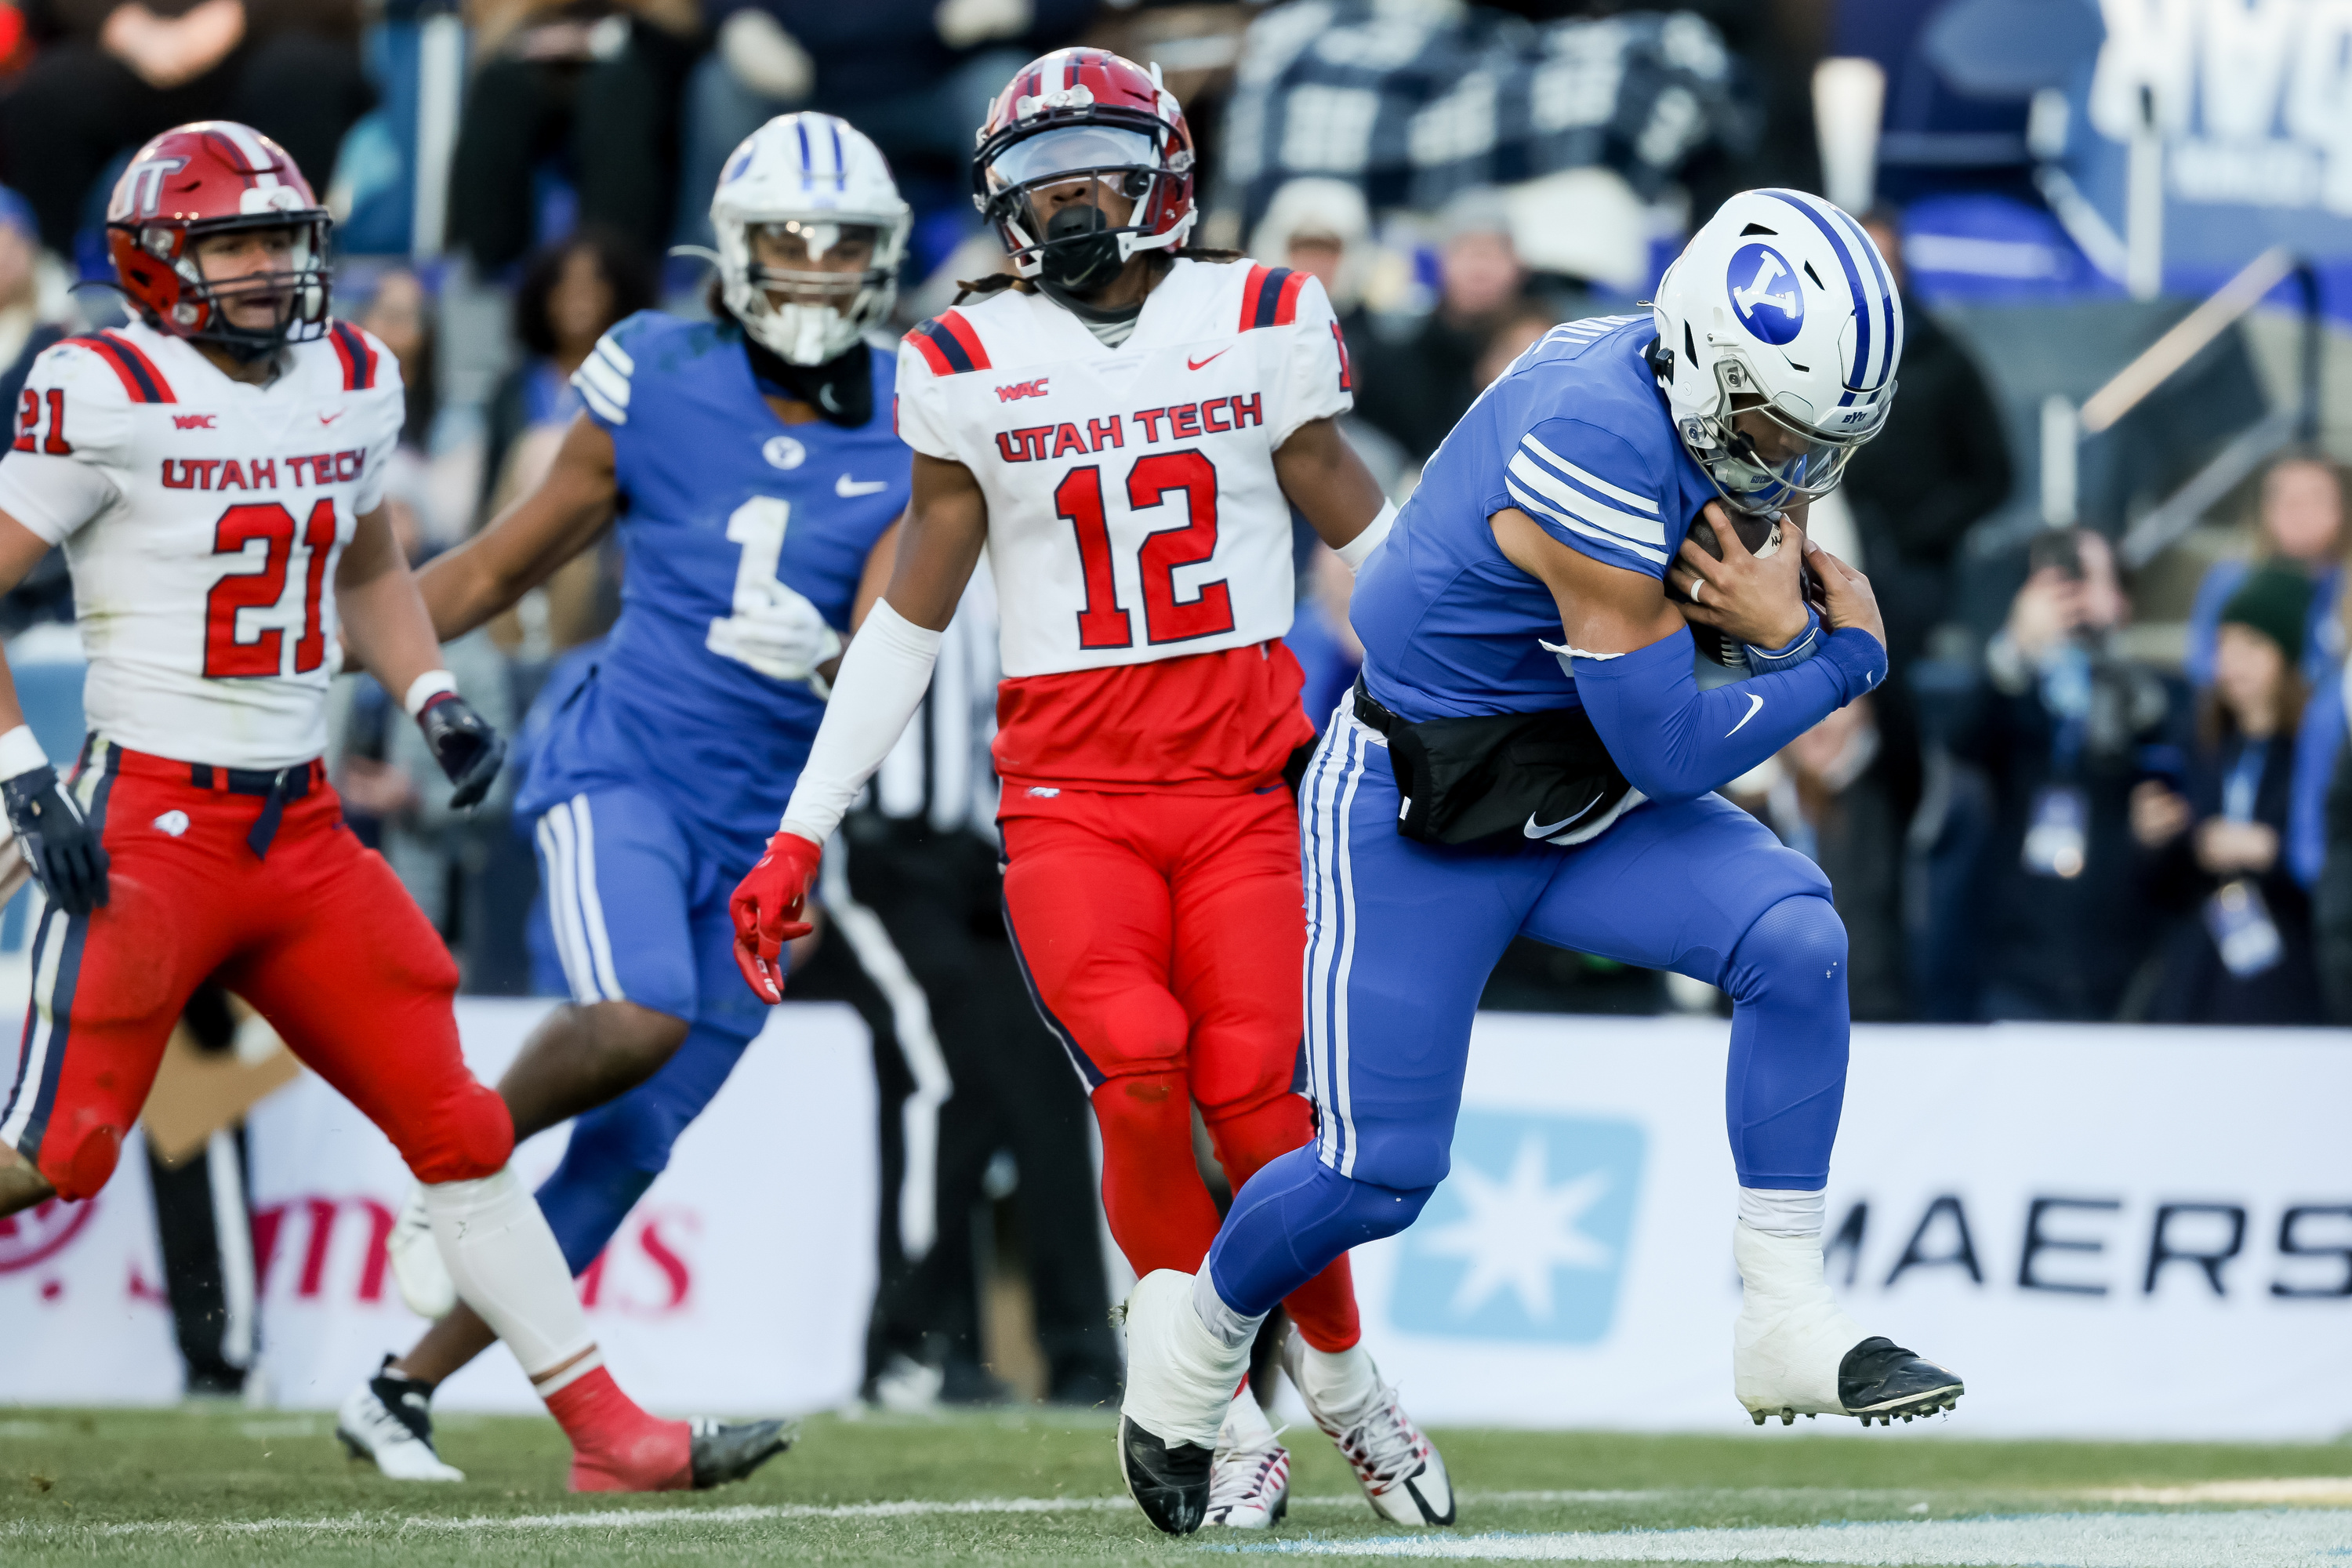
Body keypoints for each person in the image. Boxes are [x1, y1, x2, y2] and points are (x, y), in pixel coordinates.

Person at [1084, 189, 1967, 1536]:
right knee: (1379, 1174)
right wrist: (1837, 657)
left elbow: (1679, 683)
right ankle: (1196, 1337)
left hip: (1577, 787)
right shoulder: (1596, 440)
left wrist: (1784, 638)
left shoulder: (1687, 400)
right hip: (1424, 808)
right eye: (1780, 427)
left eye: (1821, 437)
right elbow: (1675, 745)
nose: (1795, 467)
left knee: (1797, 936)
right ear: (1710, 363)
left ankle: (1785, 1313)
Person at [728, 49, 1450, 1534]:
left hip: (1245, 790)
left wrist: (1493, 696)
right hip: (1072, 799)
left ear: (1164, 175)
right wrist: (802, 829)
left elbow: (1378, 545)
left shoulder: (1258, 317)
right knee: (1139, 1072)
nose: (1066, 202)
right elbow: (909, 624)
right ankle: (1217, 1417)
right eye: (1038, 178)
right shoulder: (965, 358)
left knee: (1263, 1107)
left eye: (1094, 171)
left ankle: (1346, 1384)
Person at [0, 122, 783, 1492]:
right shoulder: (101, 386)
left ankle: (615, 1436)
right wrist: (19, 770)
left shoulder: (348, 377)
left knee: (462, 1128)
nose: (268, 269)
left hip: (300, 830)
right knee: (56, 1152)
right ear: (157, 263)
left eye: (282, 241)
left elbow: (364, 568)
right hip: (149, 828)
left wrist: (432, 697)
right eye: (235, 244)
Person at [336, 112, 911, 1481]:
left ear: (884, 258)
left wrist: (830, 656)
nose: (818, 267)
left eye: (845, 244)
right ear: (736, 248)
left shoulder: (918, 410)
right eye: (790, 239)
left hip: (774, 830)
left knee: (634, 1141)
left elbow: (893, 658)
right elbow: (495, 568)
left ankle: (400, 1393)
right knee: (635, 1017)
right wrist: (315, 653)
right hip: (625, 768)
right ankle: (459, 1154)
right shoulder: (655, 372)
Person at [1956, 528, 2181, 1021]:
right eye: (2059, 580)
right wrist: (2017, 645)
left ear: (2122, 598)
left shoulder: (2151, 700)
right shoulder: (2016, 692)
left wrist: (2160, 828)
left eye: (2088, 578)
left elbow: (2179, 802)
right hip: (2016, 963)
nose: (2073, 596)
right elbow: (1962, 743)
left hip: (2123, 967)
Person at [1, 0, 375, 256]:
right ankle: (49, 279)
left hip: (265, 40)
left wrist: (235, 15)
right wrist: (122, 24)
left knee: (301, 77)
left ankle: (286, 255)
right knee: (49, 94)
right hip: (125, 45)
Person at [2132, 568, 2327, 1023]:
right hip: (2197, 987)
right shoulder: (2195, 747)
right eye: (2224, 645)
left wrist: (2274, 853)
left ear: (2291, 656)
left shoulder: (2319, 754)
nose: (2232, 663)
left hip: (2293, 989)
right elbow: (2154, 889)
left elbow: (2332, 873)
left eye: (2252, 646)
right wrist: (2159, 839)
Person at [2183, 454, 2349, 690]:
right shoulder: (2232, 579)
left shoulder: (2344, 585)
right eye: (2290, 501)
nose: (2302, 514)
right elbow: (2201, 665)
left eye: (2317, 500)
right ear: (2267, 510)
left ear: (2340, 510)